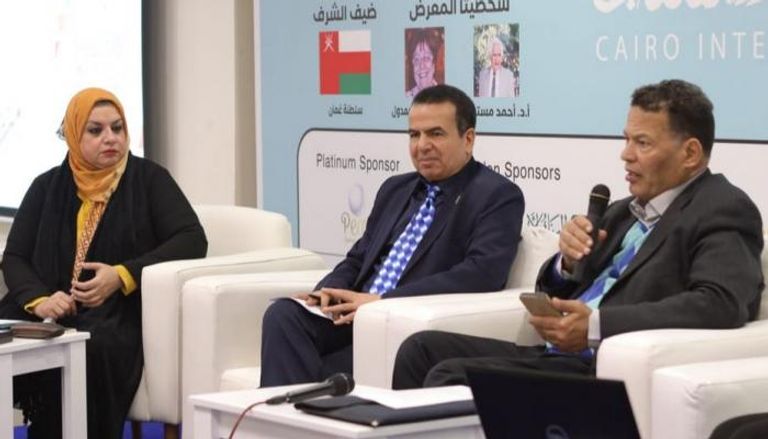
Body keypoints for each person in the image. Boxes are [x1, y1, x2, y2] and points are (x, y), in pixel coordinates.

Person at [392, 79, 764, 389]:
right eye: (626, 140)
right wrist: (566, 264)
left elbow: (720, 302)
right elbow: (552, 288)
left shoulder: (722, 207)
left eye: (643, 143)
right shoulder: (622, 211)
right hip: (556, 354)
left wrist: (597, 326)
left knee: (450, 375)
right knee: (420, 350)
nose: (626, 155)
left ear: (691, 153)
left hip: (602, 367)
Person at [260, 84, 525, 386]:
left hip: (397, 323)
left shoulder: (496, 195)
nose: (422, 145)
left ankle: (294, 405)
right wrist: (328, 292)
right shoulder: (395, 188)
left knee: (312, 368)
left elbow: (481, 274)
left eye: (436, 134)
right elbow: (358, 258)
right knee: (283, 315)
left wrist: (381, 301)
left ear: (468, 139)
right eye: (414, 135)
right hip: (351, 315)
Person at [0, 87, 208, 438]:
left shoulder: (150, 179)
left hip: (117, 312)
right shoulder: (46, 186)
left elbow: (191, 238)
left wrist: (122, 275)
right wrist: (40, 300)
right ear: (73, 135)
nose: (110, 138)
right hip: (50, 307)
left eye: (117, 128)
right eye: (95, 130)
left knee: (92, 349)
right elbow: (16, 256)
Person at [405, 28, 443, 97]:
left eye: (426, 58)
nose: (421, 65)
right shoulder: (407, 96)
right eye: (416, 59)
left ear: (434, 63)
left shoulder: (445, 97)